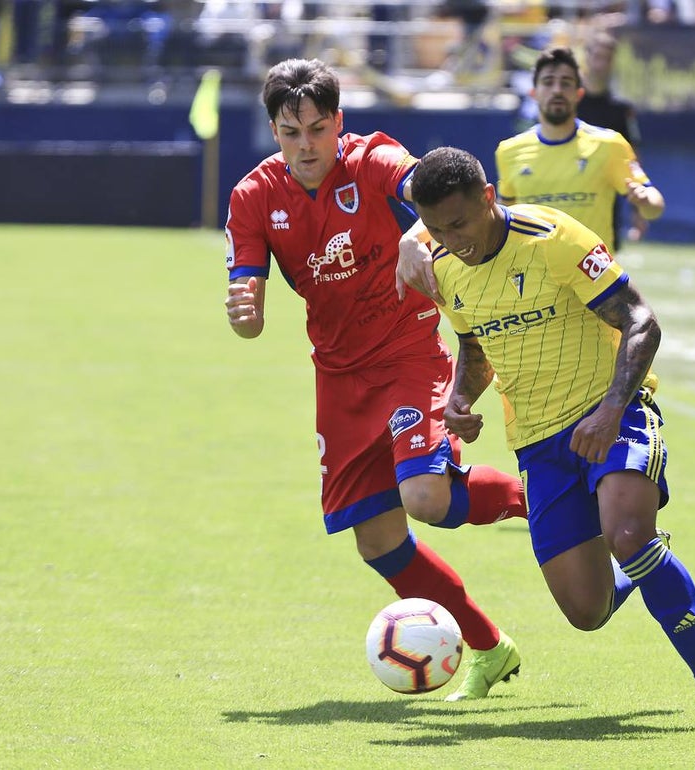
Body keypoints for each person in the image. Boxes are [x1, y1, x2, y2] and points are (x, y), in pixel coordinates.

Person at [406, 145, 695, 733]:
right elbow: (475, 346)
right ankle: (646, 565)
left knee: (628, 534)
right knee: (586, 611)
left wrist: (612, 408)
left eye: (458, 224)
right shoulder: (444, 265)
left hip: (613, 414)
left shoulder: (554, 238)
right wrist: (460, 399)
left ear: (488, 197)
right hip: (539, 444)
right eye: (436, 229)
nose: (451, 240)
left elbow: (641, 321)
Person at [221, 58, 526, 702]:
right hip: (338, 378)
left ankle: (550, 499)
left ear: (339, 122)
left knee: (426, 498)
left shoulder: (371, 159)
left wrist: (417, 230)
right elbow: (248, 306)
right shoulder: (253, 197)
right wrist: (245, 314)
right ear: (274, 132)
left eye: (317, 129)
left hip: (408, 352)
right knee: (380, 542)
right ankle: (490, 648)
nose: (306, 145)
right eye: (290, 132)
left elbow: (430, 188)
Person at [495, 46, 664, 256]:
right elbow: (504, 219)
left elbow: (654, 205)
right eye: (548, 82)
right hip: (534, 273)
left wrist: (645, 201)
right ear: (534, 93)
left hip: (595, 274)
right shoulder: (509, 151)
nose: (557, 90)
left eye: (566, 83)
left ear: (579, 94)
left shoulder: (609, 144)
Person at [576, 30, 648, 247]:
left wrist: (638, 210)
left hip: (605, 195)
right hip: (569, 188)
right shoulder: (568, 102)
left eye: (607, 59)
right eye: (597, 56)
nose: (601, 64)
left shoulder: (621, 108)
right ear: (587, 56)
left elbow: (632, 158)